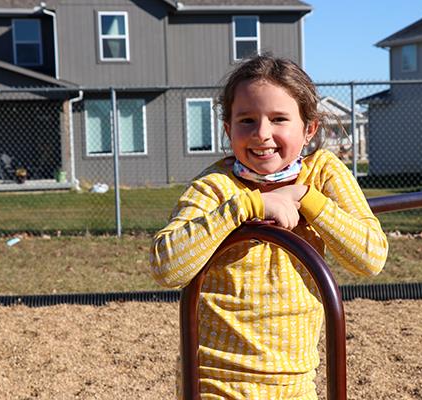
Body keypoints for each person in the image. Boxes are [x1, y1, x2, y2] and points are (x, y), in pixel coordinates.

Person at [150, 54, 388, 400]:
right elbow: (166, 266)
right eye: (247, 120)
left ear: (309, 129)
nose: (262, 134)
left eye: (278, 119)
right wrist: (249, 206)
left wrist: (307, 199)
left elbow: (370, 257)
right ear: (228, 129)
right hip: (218, 380)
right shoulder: (217, 187)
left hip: (295, 381)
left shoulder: (320, 174)